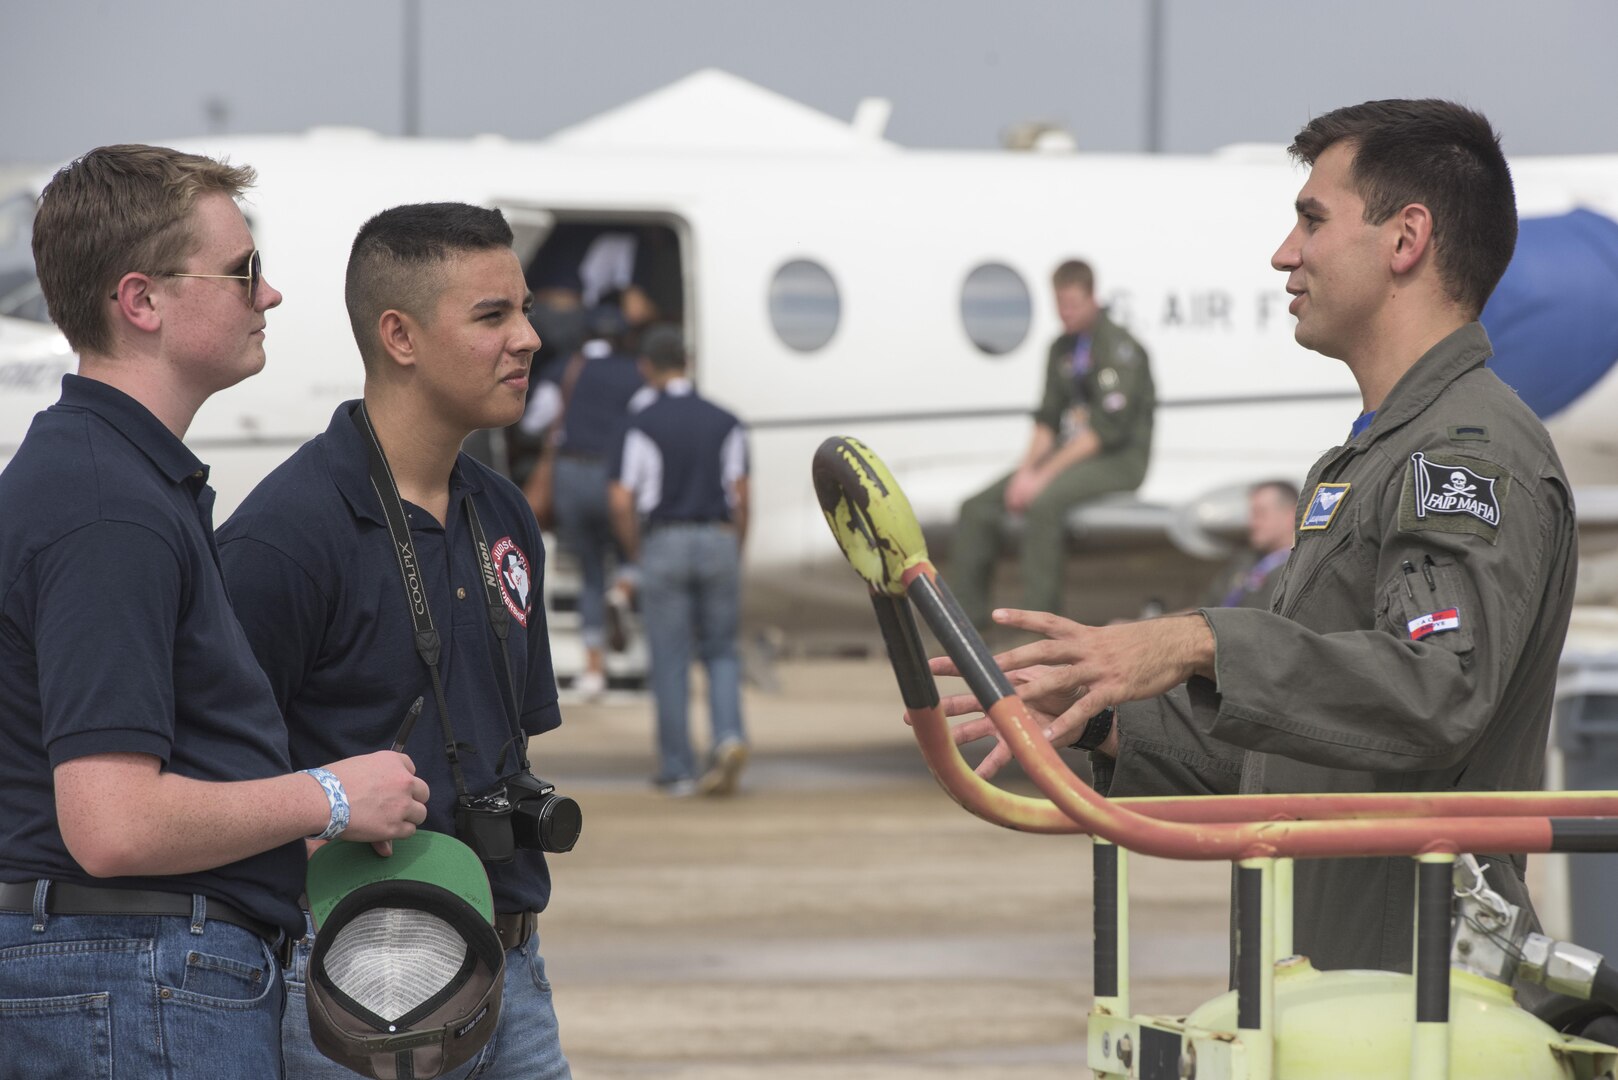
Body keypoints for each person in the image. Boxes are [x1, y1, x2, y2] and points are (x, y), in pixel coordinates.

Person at [941, 99, 1577, 975]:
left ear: (1406, 240)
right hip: (1329, 987)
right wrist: (1097, 713)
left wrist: (1201, 640)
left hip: (1420, 998)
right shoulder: (1370, 459)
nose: (1286, 253)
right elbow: (1294, 748)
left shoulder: (1467, 455)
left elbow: (1438, 689)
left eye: (1312, 220)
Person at [0, 145, 428, 1078]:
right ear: (142, 301)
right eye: (243, 271)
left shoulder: (117, 481)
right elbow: (112, 825)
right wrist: (332, 793)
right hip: (137, 981)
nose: (267, 295)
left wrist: (289, 820)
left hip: (133, 973)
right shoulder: (107, 504)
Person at [217, 203, 571, 1078]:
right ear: (399, 336)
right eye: (492, 316)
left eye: (523, 310)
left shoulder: (504, 512)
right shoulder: (286, 536)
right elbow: (214, 783)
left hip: (509, 968)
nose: (527, 339)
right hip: (357, 986)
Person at [949, 259, 1155, 632]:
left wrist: (1042, 477)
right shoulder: (1061, 348)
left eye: (1073, 304)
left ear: (1093, 297)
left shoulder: (1120, 348)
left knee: (1044, 505)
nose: (1065, 313)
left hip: (1117, 460)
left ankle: (1036, 634)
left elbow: (1102, 433)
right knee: (975, 509)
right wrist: (1026, 471)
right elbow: (1047, 421)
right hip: (1071, 456)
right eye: (1059, 304)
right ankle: (967, 630)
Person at [608, 324, 749, 797]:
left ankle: (678, 769)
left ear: (647, 368)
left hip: (664, 541)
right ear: (687, 362)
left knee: (669, 658)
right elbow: (741, 495)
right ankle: (728, 738)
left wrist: (635, 554)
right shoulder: (726, 420)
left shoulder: (641, 424)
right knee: (723, 651)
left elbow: (622, 498)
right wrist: (736, 546)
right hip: (718, 539)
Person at [523, 307, 648, 698]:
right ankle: (625, 589)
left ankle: (594, 671)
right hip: (615, 475)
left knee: (590, 572)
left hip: (571, 477)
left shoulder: (565, 369)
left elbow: (533, 421)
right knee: (632, 552)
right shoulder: (635, 373)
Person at [1204, 480, 1299, 610]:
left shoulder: (1301, 569)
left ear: (1291, 515)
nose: (1252, 523)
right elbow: (1206, 605)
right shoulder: (1245, 561)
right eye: (1251, 515)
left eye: (1260, 514)